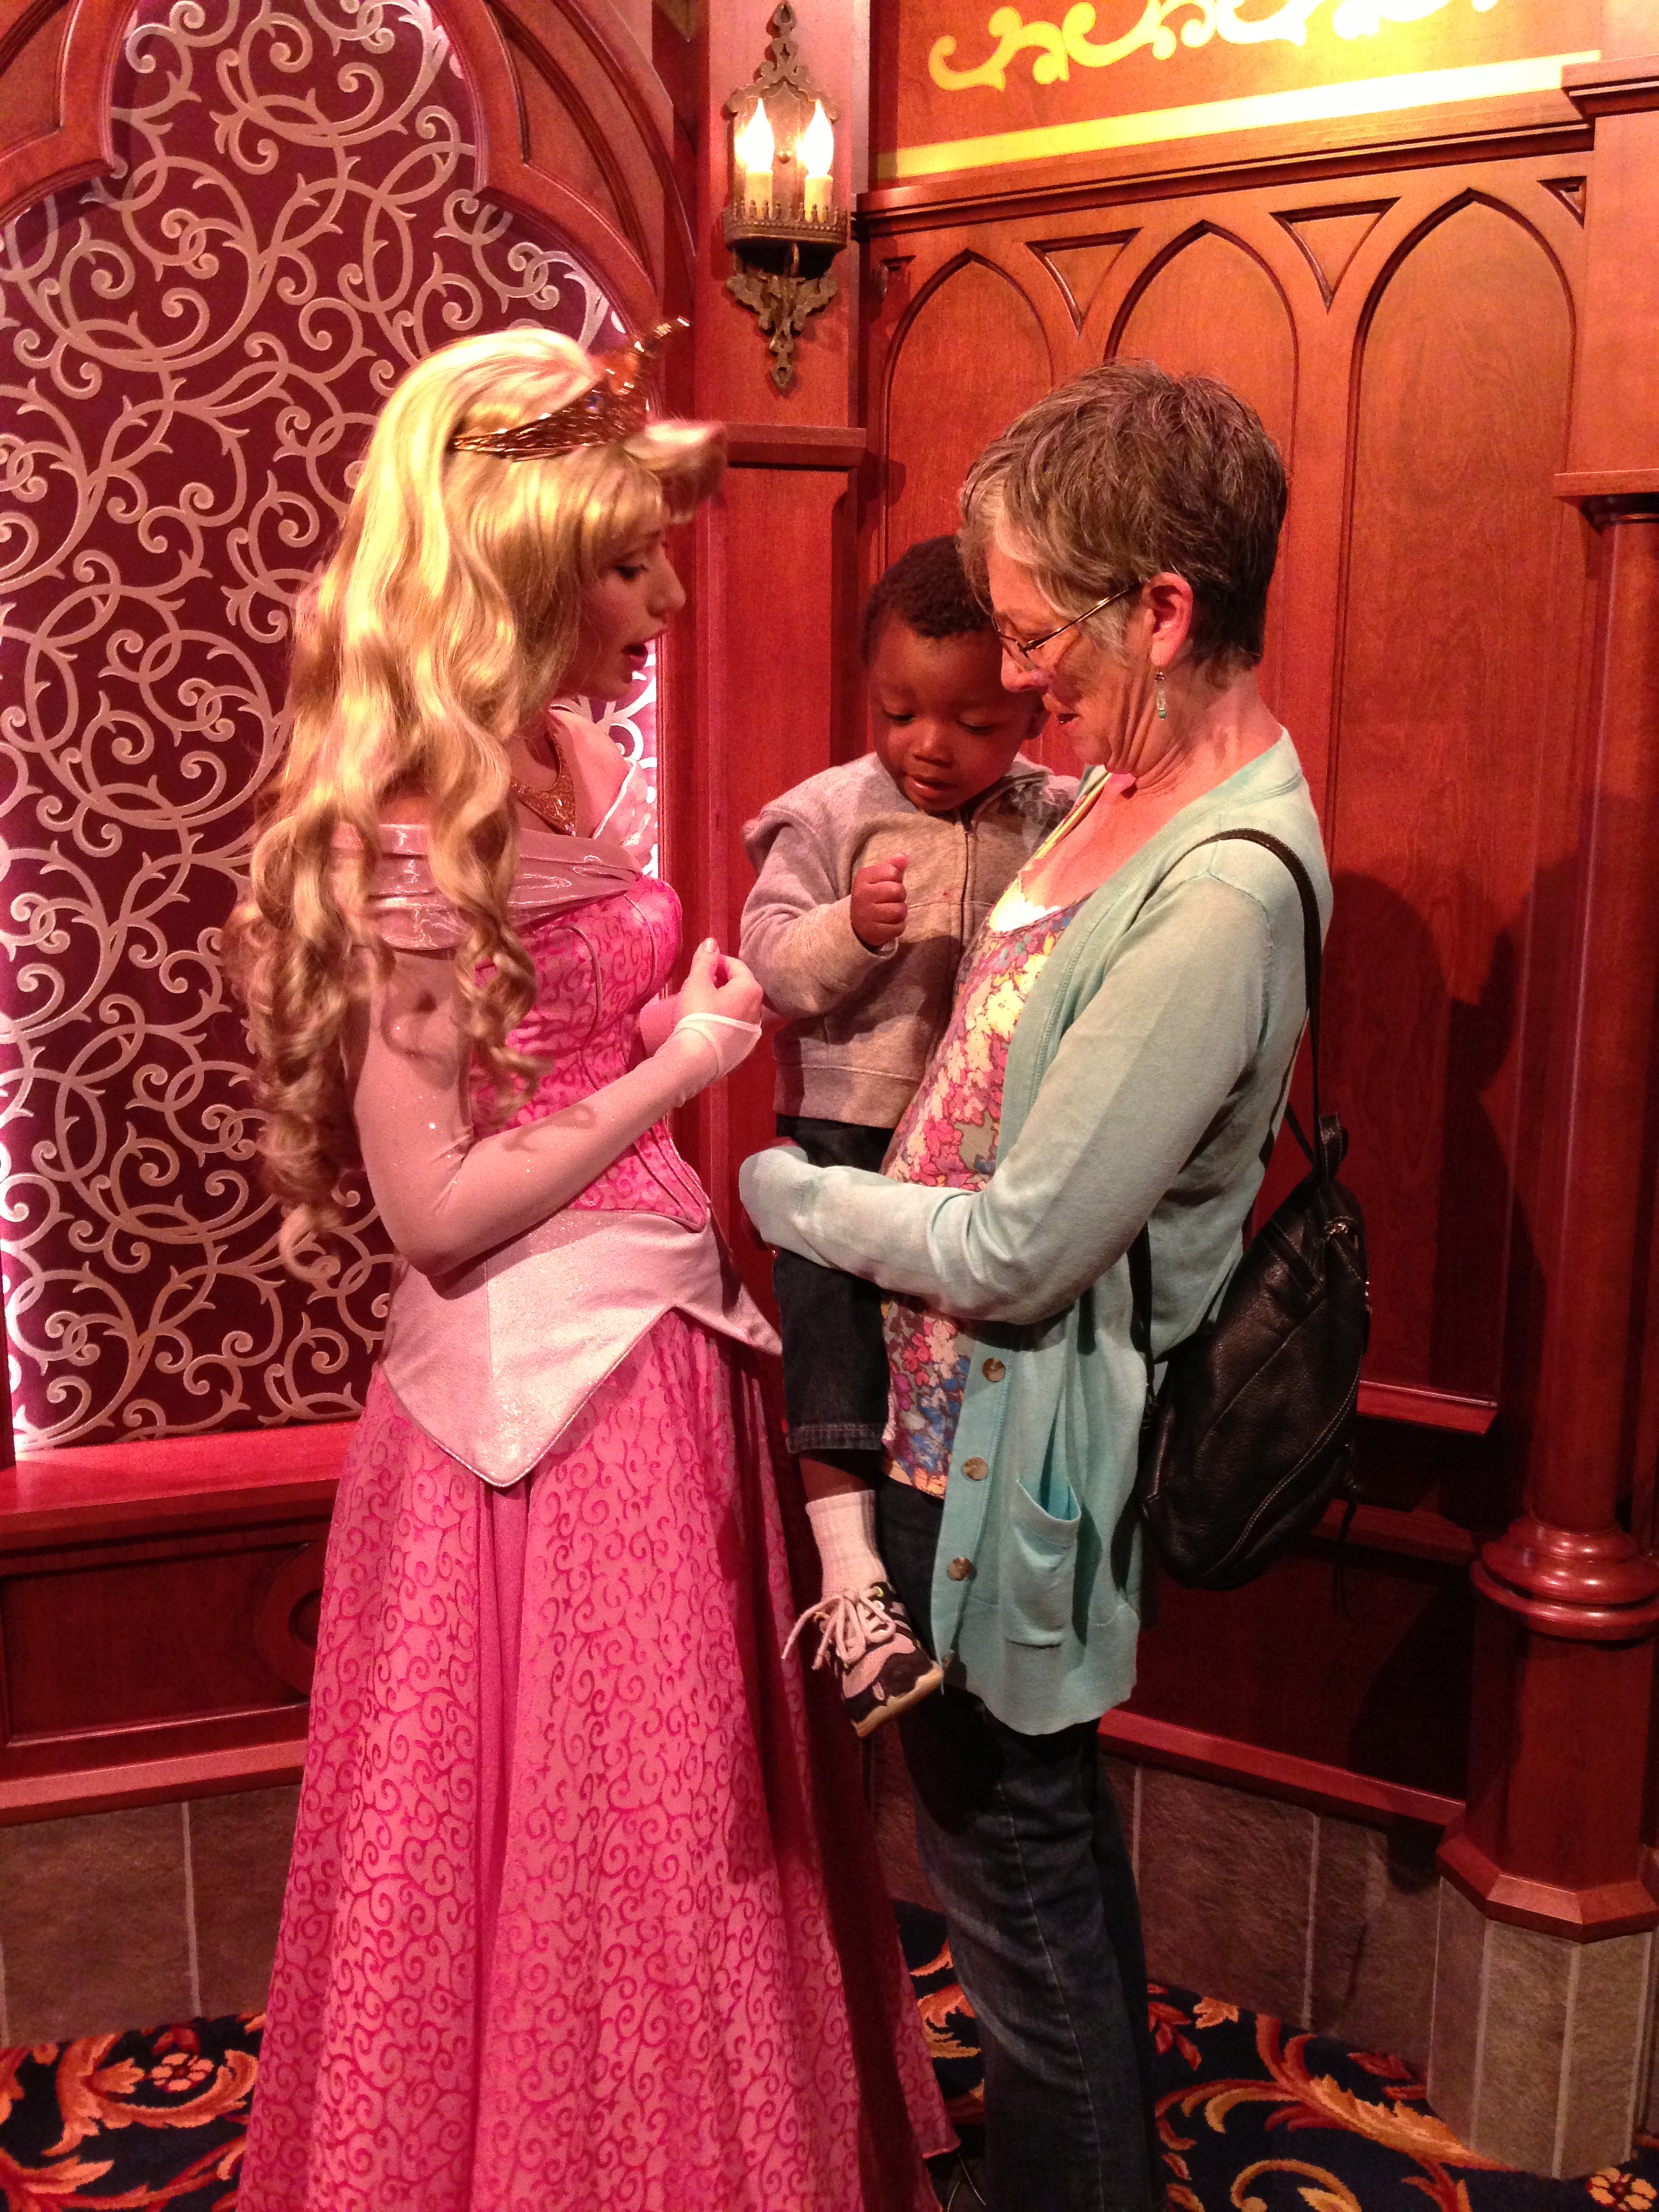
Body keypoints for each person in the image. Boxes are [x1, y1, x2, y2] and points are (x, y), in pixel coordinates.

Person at [229, 323, 945, 2212]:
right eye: (629, 563)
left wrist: (656, 1034)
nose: (664, 601)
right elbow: (434, 1209)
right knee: (576, 1843)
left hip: (664, 1352)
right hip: (526, 1415)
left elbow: (554, 1046)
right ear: (528, 564)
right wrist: (681, 1068)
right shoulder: (410, 821)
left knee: (672, 1827)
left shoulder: (565, 750)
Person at [741, 361, 1332, 2212]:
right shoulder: (1119, 784)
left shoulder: (1221, 893)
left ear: (1163, 608)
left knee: (1013, 1881)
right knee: (1029, 1859)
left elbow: (1023, 1250)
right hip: (945, 1418)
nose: (1011, 679)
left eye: (1033, 636)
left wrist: (787, 1194)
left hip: (1003, 1449)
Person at [739, 535, 1071, 1737]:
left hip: (986, 1146)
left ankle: (968, 1556)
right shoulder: (829, 812)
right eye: (897, 713)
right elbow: (771, 963)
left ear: (1031, 705)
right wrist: (851, 928)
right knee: (830, 1328)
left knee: (952, 1346)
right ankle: (852, 1581)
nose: (929, 745)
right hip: (847, 1119)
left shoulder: (1056, 813)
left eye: (973, 723)